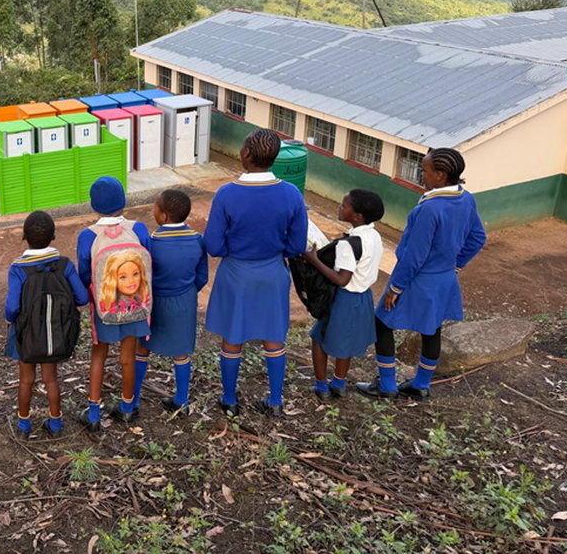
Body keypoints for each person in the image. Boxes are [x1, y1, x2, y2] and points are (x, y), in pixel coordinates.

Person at [357, 148, 486, 400]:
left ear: (440, 175)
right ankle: (421, 384)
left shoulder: (430, 208)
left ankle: (387, 385)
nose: (421, 174)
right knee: (432, 327)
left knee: (382, 322)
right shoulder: (466, 199)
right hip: (445, 278)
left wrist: (396, 287)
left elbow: (415, 255)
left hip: (419, 279)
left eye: (424, 170)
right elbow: (478, 237)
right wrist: (455, 265)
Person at [204, 129, 308, 418]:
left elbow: (213, 245)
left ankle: (229, 399)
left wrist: (234, 248)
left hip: (236, 273)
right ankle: (275, 401)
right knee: (273, 335)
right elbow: (297, 245)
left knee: (233, 335)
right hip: (273, 272)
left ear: (246, 154)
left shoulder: (227, 194)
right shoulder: (291, 194)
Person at [4, 211, 88, 440]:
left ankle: (23, 426)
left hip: (27, 335)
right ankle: (55, 423)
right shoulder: (64, 264)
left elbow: (12, 308)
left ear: (24, 236)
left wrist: (10, 320)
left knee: (26, 379)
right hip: (55, 332)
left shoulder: (18, 268)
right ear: (53, 236)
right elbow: (82, 297)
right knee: (50, 379)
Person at [76, 176, 152, 431]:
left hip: (104, 307)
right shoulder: (138, 229)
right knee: (128, 356)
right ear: (123, 201)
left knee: (99, 354)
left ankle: (94, 414)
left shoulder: (88, 236)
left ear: (93, 205)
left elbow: (85, 273)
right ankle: (127, 408)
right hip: (136, 305)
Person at [302, 190, 385, 400]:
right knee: (346, 342)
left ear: (357, 216)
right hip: (364, 297)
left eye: (344, 205)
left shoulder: (348, 244)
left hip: (344, 299)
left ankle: (322, 387)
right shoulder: (374, 236)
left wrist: (314, 260)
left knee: (318, 338)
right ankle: (339, 383)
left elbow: (341, 279)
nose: (340, 207)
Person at [133, 189, 208, 415]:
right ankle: (181, 400)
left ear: (164, 216)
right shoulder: (197, 240)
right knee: (181, 352)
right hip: (184, 301)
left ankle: (133, 399)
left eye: (155, 208)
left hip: (154, 303)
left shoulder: (151, 242)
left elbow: (143, 275)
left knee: (142, 347)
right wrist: (187, 292)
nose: (153, 211)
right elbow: (202, 277)